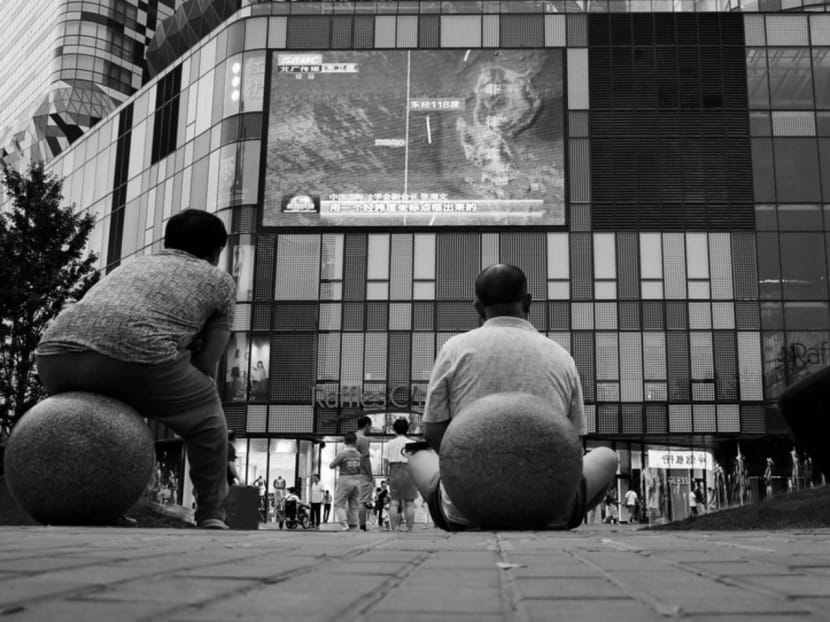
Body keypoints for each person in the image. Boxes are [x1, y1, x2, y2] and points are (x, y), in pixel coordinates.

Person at [35, 209, 235, 530]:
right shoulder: (220, 281)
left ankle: (99, 507)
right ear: (216, 252)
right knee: (208, 419)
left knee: (99, 427)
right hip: (136, 360)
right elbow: (206, 362)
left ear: (167, 241)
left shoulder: (132, 264)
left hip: (54, 354)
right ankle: (211, 513)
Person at [405, 264, 618, 531]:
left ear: (477, 307)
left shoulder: (453, 349)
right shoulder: (561, 356)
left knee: (415, 457)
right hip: (548, 507)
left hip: (467, 507)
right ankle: (561, 516)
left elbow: (434, 431)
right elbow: (572, 442)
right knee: (607, 456)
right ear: (528, 301)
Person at [383, 418, 418, 531]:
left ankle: (393, 528)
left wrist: (386, 476)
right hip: (409, 471)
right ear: (407, 429)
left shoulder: (389, 443)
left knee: (394, 502)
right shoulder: (413, 444)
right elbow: (417, 461)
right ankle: (409, 528)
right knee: (409, 502)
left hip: (395, 471)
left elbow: (385, 462)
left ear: (394, 429)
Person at [330, 432, 364, 531]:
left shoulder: (343, 453)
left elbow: (331, 465)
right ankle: (354, 524)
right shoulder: (359, 454)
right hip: (357, 480)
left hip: (345, 479)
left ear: (344, 442)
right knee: (354, 504)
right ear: (356, 441)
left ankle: (345, 524)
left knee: (339, 504)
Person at [354, 416, 374, 531]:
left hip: (350, 473)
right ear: (367, 425)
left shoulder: (351, 437)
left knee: (352, 500)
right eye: (370, 426)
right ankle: (362, 526)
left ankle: (351, 524)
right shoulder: (364, 439)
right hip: (362, 474)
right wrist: (370, 475)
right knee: (362, 501)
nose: (370, 429)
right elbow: (365, 459)